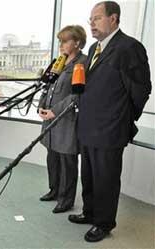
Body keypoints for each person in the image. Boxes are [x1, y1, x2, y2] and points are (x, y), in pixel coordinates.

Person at [68, 1, 152, 242]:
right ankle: (89, 212)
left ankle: (104, 223)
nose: (91, 23)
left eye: (96, 18)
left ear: (113, 18)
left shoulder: (129, 48)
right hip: (88, 126)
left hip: (110, 129)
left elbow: (141, 89)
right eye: (90, 19)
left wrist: (123, 117)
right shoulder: (95, 47)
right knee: (90, 175)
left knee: (106, 178)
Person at [38, 25, 87, 214]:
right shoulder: (60, 61)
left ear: (77, 42)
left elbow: (76, 95)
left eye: (65, 41)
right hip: (50, 119)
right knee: (53, 157)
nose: (61, 45)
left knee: (68, 162)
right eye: (60, 41)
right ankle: (54, 190)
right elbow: (48, 86)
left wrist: (54, 111)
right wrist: (41, 106)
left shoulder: (82, 63)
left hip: (66, 120)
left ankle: (66, 200)